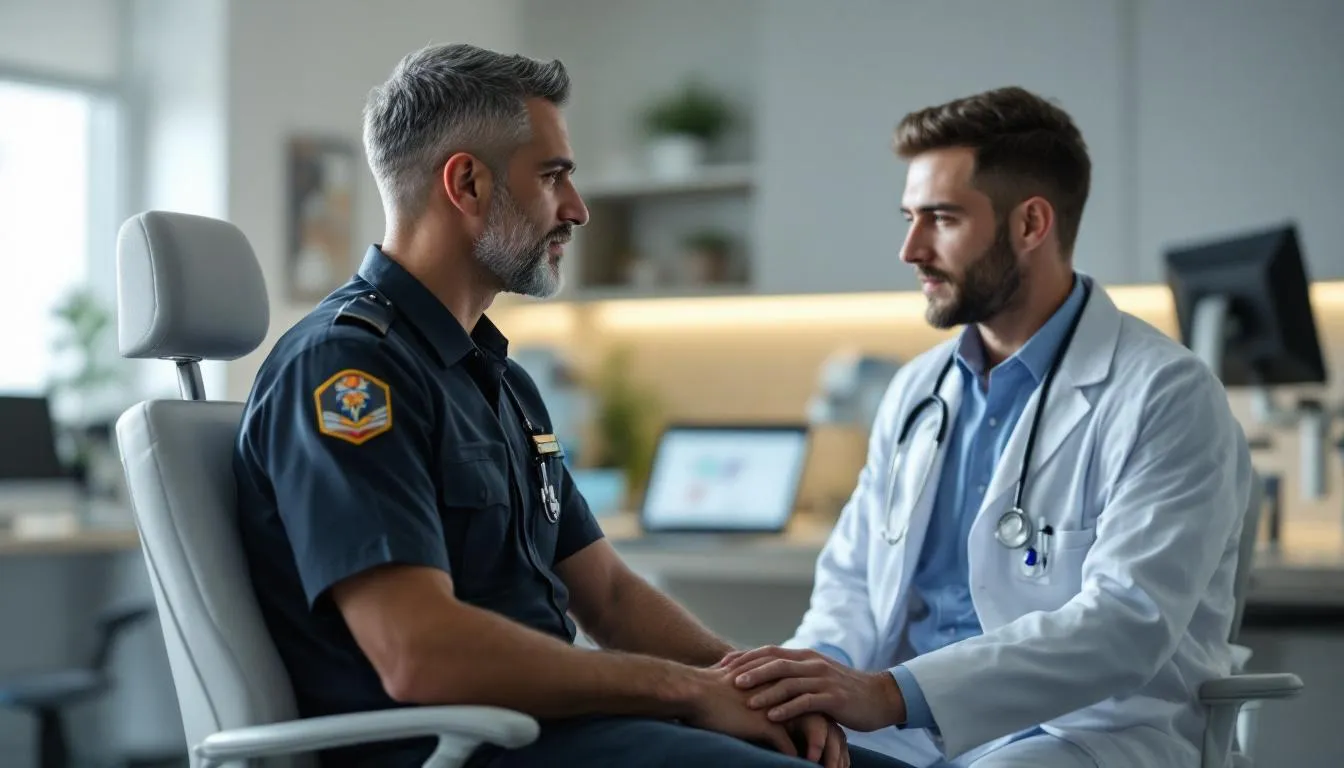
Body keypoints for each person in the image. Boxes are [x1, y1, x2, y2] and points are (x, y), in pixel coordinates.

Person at [232, 42, 912, 768]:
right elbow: (415, 654)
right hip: (468, 751)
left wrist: (760, 689)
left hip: (566, 734)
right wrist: (683, 691)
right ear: (465, 183)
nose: (577, 209)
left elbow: (612, 597)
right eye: (553, 176)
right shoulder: (349, 370)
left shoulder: (499, 381)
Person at [718, 87, 1253, 767]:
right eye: (910, 217)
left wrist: (890, 693)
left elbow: (1127, 625)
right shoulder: (917, 390)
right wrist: (813, 688)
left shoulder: (1165, 394)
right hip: (902, 730)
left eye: (940, 219)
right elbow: (850, 585)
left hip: (1084, 733)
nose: (911, 248)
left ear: (1031, 224)